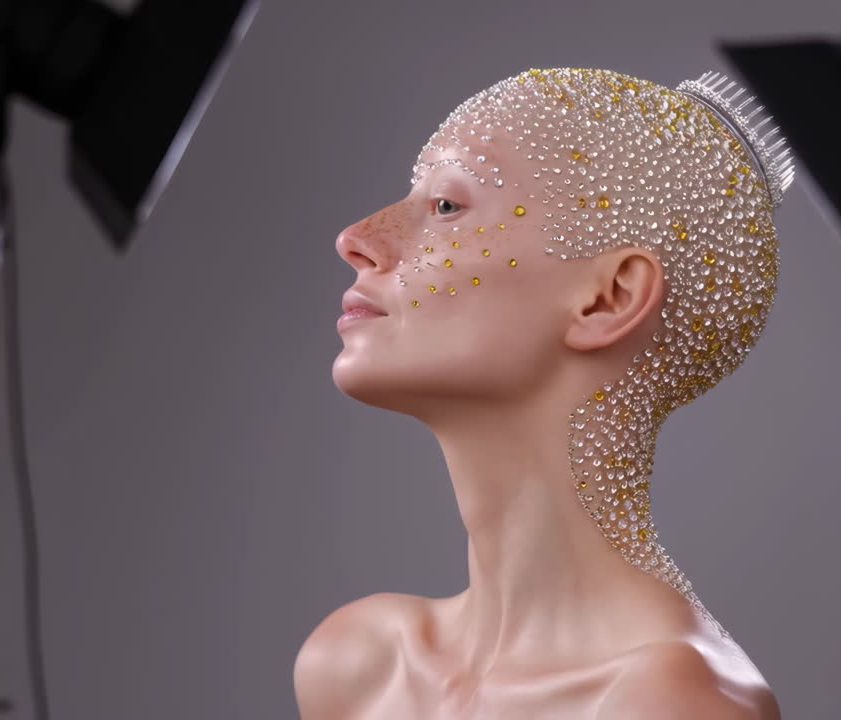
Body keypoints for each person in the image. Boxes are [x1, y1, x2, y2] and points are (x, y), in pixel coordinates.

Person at [296, 67, 790, 719]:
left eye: (446, 206)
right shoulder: (358, 665)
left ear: (608, 298)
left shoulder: (672, 703)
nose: (357, 239)